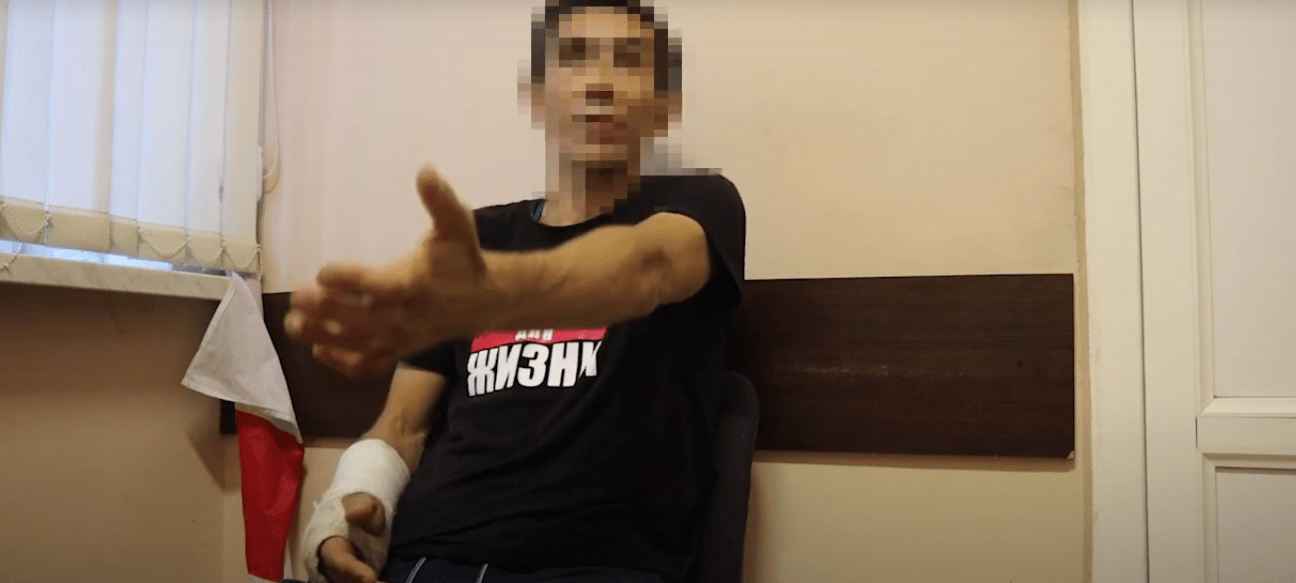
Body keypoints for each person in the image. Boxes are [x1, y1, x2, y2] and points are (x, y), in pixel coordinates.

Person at [283, 1, 745, 582]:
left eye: (629, 61)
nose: (600, 82)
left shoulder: (703, 206)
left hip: (592, 565)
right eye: (575, 58)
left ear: (664, 105)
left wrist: (495, 294)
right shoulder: (478, 239)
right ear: (536, 96)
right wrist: (348, 511)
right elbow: (401, 427)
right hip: (423, 558)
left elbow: (645, 267)